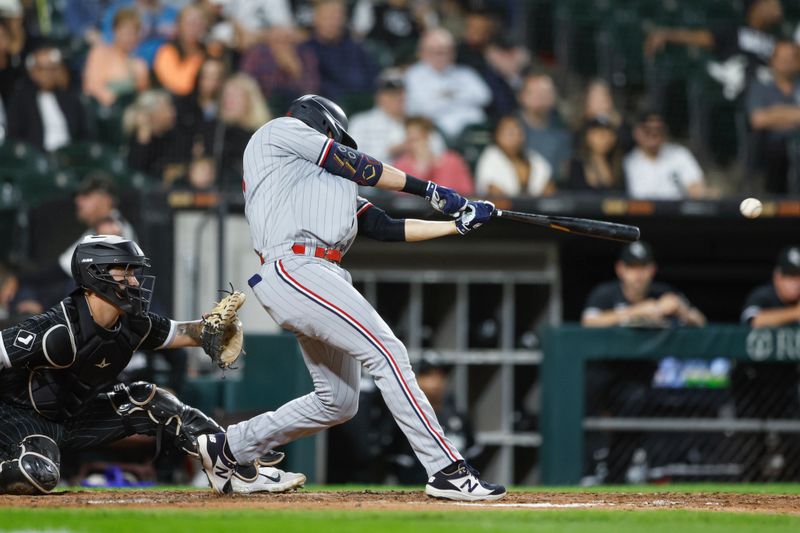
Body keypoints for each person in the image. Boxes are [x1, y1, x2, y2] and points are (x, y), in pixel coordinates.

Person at [196, 94, 505, 501]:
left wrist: (457, 223)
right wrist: (429, 188)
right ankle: (446, 469)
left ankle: (231, 447)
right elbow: (353, 164)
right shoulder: (280, 132)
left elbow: (386, 226)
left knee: (339, 402)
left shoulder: (320, 185)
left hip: (320, 274)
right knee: (388, 352)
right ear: (325, 125)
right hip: (296, 265)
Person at [0, 235, 304, 495]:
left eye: (134, 272)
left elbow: (179, 333)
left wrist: (210, 331)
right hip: (22, 420)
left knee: (149, 399)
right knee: (36, 475)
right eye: (126, 272)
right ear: (96, 274)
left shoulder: (132, 324)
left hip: (75, 417)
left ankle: (233, 462)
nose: (134, 281)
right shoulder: (57, 331)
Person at [645, 0, 783, 101]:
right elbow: (701, 38)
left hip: (769, 87)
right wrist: (667, 34)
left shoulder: (778, 40)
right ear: (756, 7)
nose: (778, 7)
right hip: (738, 84)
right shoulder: (735, 31)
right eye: (771, 3)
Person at [388, 360, 480, 485]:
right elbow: (397, 455)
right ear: (415, 379)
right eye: (428, 375)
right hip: (416, 483)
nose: (435, 382)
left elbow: (472, 451)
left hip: (458, 482)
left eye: (440, 375)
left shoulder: (458, 415)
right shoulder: (405, 415)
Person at [582, 241, 707, 328]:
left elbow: (701, 322)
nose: (638, 274)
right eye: (632, 267)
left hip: (654, 363)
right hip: (612, 361)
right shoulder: (605, 293)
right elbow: (588, 322)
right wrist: (638, 310)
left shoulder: (664, 292)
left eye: (643, 267)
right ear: (620, 269)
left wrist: (680, 309)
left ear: (652, 269)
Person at [405, 27, 491, 141]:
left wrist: (447, 97)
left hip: (471, 133)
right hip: (434, 133)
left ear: (452, 52)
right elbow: (426, 108)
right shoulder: (413, 75)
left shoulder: (465, 73)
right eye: (434, 51)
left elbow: (485, 97)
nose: (439, 56)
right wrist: (460, 97)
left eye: (444, 51)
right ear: (423, 52)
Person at [6, 46, 89, 152]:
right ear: (32, 72)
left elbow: (84, 133)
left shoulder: (70, 97)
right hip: (36, 158)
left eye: (52, 69)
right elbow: (15, 136)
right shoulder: (20, 100)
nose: (47, 74)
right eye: (41, 69)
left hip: (69, 155)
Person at [746, 40, 800, 194]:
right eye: (782, 59)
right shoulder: (760, 87)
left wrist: (776, 113)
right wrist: (795, 115)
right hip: (771, 150)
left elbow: (768, 117)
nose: (786, 63)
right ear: (772, 61)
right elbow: (758, 120)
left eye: (791, 59)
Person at [301, 0, 377, 102]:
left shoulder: (355, 47)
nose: (334, 22)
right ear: (316, 19)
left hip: (364, 101)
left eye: (338, 17)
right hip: (330, 104)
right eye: (328, 17)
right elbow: (314, 84)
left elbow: (371, 75)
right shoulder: (306, 49)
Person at [623, 111, 708, 200]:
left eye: (658, 129)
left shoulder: (679, 155)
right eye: (647, 130)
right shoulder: (628, 161)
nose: (653, 134)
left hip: (674, 212)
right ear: (636, 133)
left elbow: (695, 187)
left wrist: (701, 193)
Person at [83, 7, 150, 108]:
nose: (130, 38)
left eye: (134, 33)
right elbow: (91, 86)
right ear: (115, 31)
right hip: (105, 110)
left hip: (131, 111)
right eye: (126, 32)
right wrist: (113, 101)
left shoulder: (139, 63)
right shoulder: (99, 53)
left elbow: (142, 95)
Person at [475, 115, 554, 197]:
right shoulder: (490, 157)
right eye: (510, 132)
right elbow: (494, 194)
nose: (515, 136)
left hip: (534, 209)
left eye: (518, 132)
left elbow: (549, 188)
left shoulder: (533, 157)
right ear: (496, 135)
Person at [393, 116, 474, 195]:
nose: (416, 145)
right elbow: (400, 200)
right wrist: (422, 166)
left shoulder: (453, 161)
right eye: (411, 140)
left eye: (419, 139)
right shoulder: (401, 164)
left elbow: (467, 191)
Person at [240, 26, 319, 103]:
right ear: (268, 40)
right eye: (276, 41)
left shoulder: (305, 55)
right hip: (263, 103)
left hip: (294, 103)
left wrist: (296, 71)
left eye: (287, 41)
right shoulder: (257, 54)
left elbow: (310, 91)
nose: (282, 45)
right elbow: (245, 81)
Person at [516, 73, 571, 181]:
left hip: (553, 191)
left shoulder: (562, 131)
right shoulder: (510, 127)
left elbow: (564, 172)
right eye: (536, 93)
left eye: (546, 93)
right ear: (522, 96)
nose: (541, 98)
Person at [348, 69, 406, 162]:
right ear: (378, 96)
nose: (398, 98)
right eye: (391, 94)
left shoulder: (416, 121)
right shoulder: (361, 122)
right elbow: (353, 157)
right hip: (375, 174)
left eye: (400, 93)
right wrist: (390, 152)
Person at [153, 3, 209, 97]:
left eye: (198, 24)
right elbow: (180, 85)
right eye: (190, 23)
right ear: (179, 25)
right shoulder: (167, 49)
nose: (193, 28)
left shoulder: (208, 52)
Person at [741, 245, 800, 327]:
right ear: (777, 276)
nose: (796, 283)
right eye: (790, 276)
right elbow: (753, 321)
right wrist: (795, 313)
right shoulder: (763, 295)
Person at [568, 116, 624, 193]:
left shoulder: (619, 163)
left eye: (608, 134)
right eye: (599, 133)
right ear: (587, 136)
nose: (604, 139)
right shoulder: (577, 163)